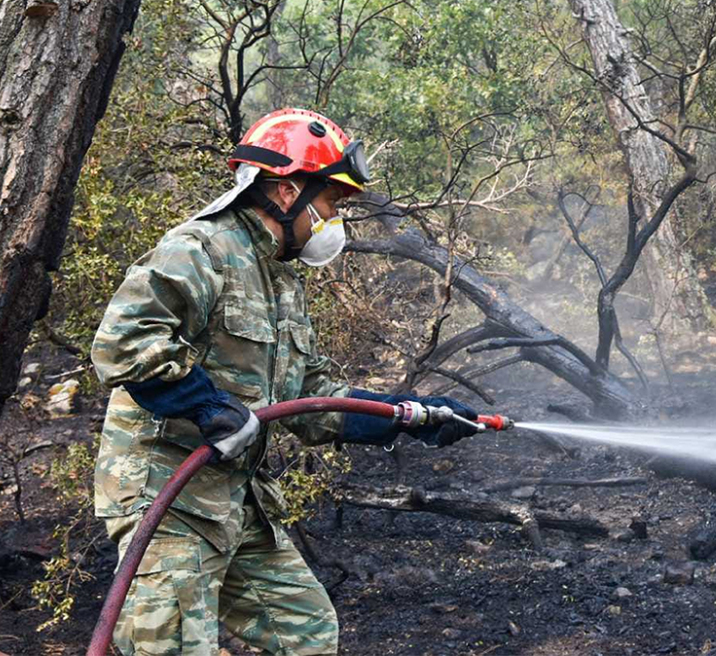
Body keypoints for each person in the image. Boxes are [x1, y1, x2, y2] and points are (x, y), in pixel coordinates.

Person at [90, 108, 479, 655]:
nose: (333, 219)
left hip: (237, 500)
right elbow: (122, 343)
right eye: (331, 201)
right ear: (286, 189)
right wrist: (206, 406)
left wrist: (407, 415)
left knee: (305, 632)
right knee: (170, 647)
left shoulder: (280, 279)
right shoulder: (201, 249)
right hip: (167, 496)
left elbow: (309, 397)